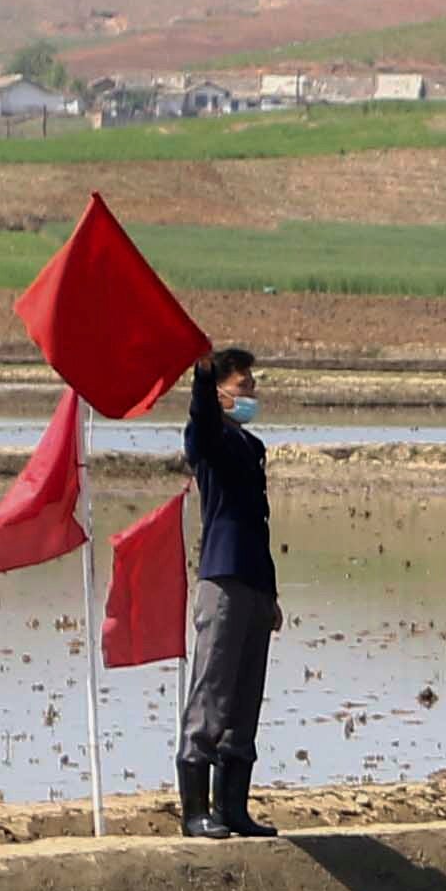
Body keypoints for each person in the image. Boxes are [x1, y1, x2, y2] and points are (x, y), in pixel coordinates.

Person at [178, 345, 279, 838]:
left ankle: (231, 808)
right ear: (219, 394)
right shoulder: (209, 440)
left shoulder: (251, 446)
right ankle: (194, 811)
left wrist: (271, 594)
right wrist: (200, 376)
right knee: (212, 693)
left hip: (254, 581)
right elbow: (199, 421)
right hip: (222, 579)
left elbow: (258, 526)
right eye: (242, 385)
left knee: (244, 697)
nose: (251, 392)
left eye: (251, 384)